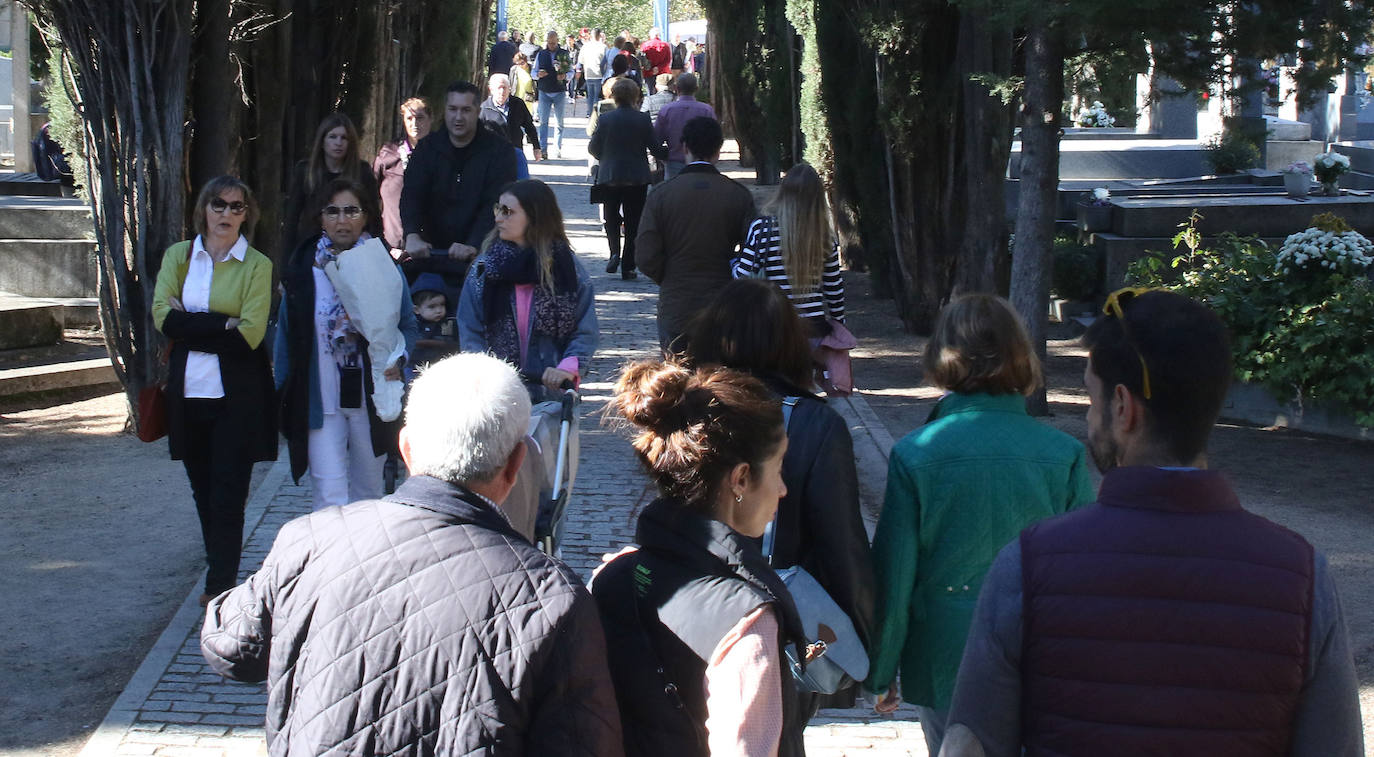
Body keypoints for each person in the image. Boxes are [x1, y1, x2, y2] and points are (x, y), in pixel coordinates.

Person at [940, 289, 1364, 757]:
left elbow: (970, 745)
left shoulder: (1026, 566)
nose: (1090, 415)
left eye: (1090, 396)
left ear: (1123, 408)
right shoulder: (1304, 577)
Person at [201, 352, 625, 756]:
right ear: (516, 465)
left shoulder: (310, 538)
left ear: (405, 449)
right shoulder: (551, 597)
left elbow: (229, 647)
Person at [862, 294, 1093, 756]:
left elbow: (895, 575)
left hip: (947, 655)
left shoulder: (915, 453)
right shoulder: (1063, 454)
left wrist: (881, 670)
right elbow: (1084, 574)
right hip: (1038, 653)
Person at [592, 360, 809, 757]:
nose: (782, 489)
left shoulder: (612, 576)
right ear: (741, 478)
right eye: (778, 468)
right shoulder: (745, 621)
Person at [682, 279, 875, 715]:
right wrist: (863, 650)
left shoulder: (684, 411)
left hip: (687, 616)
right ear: (789, 344)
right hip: (781, 632)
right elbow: (842, 547)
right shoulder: (815, 424)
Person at [152, 176, 276, 607]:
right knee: (202, 490)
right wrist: (221, 322)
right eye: (218, 205)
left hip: (236, 397)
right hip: (188, 395)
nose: (226, 214)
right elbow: (162, 316)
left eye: (236, 207)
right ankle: (217, 564)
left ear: (247, 214)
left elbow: (250, 335)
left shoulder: (257, 265)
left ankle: (220, 584)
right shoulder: (179, 257)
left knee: (228, 493)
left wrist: (193, 326)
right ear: (204, 208)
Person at [275, 178, 418, 511]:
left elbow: (407, 324)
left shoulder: (384, 266)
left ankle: (365, 563)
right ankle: (332, 561)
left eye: (351, 211)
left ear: (365, 216)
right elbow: (286, 337)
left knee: (368, 494)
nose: (342, 220)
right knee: (329, 496)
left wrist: (400, 358)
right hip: (321, 400)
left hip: (370, 397)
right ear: (321, 218)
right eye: (333, 211)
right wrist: (284, 394)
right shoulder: (303, 272)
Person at [457, 179, 597, 399]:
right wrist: (484, 370)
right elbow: (469, 328)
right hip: (495, 394)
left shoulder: (568, 270)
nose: (498, 218)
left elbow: (585, 329)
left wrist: (567, 367)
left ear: (534, 217)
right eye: (497, 209)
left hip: (551, 391)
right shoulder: (485, 269)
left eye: (508, 211)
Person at [637, 116, 756, 351]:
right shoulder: (738, 195)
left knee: (677, 376)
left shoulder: (661, 195)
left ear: (685, 148)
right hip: (723, 299)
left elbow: (645, 255)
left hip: (676, 299)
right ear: (718, 150)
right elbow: (753, 251)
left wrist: (669, 276)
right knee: (719, 380)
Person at [400, 80, 518, 300]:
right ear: (445, 111)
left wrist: (474, 243)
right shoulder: (427, 149)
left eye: (466, 110)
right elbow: (412, 195)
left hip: (480, 254)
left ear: (477, 111)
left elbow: (497, 202)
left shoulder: (499, 152)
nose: (458, 117)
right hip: (429, 255)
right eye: (453, 109)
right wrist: (412, 234)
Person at [732, 162, 845, 336]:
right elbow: (833, 288)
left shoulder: (762, 229)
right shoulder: (824, 236)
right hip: (814, 329)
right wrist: (839, 324)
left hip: (774, 326)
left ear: (783, 193)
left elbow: (742, 276)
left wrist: (732, 263)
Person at [589, 78, 667, 280]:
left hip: (610, 175)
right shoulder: (642, 119)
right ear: (635, 96)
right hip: (636, 177)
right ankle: (628, 265)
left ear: (614, 96)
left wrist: (605, 157)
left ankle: (614, 251)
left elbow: (593, 148)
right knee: (634, 222)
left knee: (611, 217)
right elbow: (655, 148)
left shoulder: (605, 119)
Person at [282, 112, 380, 255]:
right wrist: (287, 263)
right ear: (322, 141)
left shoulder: (362, 172)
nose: (338, 143)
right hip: (312, 246)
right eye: (333, 137)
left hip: (354, 248)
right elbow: (292, 219)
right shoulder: (305, 171)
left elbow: (373, 218)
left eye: (344, 138)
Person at [372, 97, 432, 256]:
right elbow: (371, 197)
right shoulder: (389, 154)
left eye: (420, 118)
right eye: (409, 118)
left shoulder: (441, 156)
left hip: (428, 248)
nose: (414, 123)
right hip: (391, 246)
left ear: (430, 119)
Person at [652, 73, 715, 179]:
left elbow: (656, 139)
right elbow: (714, 138)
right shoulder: (706, 110)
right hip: (701, 163)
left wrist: (663, 157)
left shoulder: (666, 110)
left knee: (674, 193)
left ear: (676, 88)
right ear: (696, 88)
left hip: (674, 163)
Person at [479, 73, 543, 162]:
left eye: (505, 88)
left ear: (509, 89)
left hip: (515, 153)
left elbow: (529, 126)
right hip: (493, 157)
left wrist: (536, 147)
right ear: (491, 90)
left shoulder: (518, 104)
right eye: (499, 88)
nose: (502, 91)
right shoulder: (484, 109)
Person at [408, 272, 459, 371]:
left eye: (442, 305)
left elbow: (451, 345)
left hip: (443, 367)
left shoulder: (449, 323)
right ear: (416, 310)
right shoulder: (411, 325)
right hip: (414, 366)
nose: (439, 310)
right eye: (432, 307)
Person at [532, 31, 570, 160]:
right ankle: (543, 149)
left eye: (553, 43)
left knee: (559, 123)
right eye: (549, 42)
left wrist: (565, 76)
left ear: (557, 40)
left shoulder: (564, 53)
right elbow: (533, 71)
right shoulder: (541, 54)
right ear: (546, 41)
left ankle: (557, 149)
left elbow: (571, 71)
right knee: (543, 122)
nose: (551, 45)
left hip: (559, 91)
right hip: (544, 91)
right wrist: (538, 75)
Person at [579, 28, 608, 117]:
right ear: (599, 35)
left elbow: (581, 60)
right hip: (599, 74)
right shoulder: (603, 47)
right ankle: (595, 114)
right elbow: (606, 61)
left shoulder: (585, 46)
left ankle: (589, 112)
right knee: (597, 96)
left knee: (590, 96)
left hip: (588, 73)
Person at [640, 27, 671, 94]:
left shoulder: (645, 45)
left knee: (650, 93)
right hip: (662, 74)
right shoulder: (665, 45)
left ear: (651, 35)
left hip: (648, 73)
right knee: (663, 93)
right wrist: (658, 68)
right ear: (658, 35)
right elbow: (668, 60)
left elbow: (642, 60)